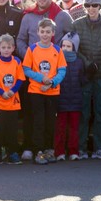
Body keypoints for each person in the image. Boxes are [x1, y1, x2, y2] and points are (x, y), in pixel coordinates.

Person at [17, 0, 73, 161]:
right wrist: (32, 58)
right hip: (32, 75)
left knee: (50, 117)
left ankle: (49, 148)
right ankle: (30, 147)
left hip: (53, 74)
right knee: (31, 114)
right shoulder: (28, 16)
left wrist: (61, 56)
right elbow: (20, 39)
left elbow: (72, 37)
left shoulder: (62, 16)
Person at [22, 18, 67, 165]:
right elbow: (26, 69)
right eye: (42, 32)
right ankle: (38, 151)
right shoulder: (32, 49)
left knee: (50, 122)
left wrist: (52, 82)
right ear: (38, 32)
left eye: (48, 32)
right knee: (38, 121)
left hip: (52, 92)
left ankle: (49, 149)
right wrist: (42, 79)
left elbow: (62, 71)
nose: (45, 34)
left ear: (53, 33)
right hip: (36, 91)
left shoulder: (57, 50)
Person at [73, 0, 101, 160]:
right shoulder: (77, 24)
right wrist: (86, 63)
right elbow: (73, 48)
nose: (91, 8)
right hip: (84, 75)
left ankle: (100, 147)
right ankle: (81, 147)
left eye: (95, 5)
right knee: (83, 112)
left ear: (100, 6)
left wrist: (97, 65)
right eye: (87, 5)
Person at [0, 34, 25, 164]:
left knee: (12, 129)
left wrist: (12, 91)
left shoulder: (17, 62)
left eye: (9, 47)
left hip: (13, 102)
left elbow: (20, 79)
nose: (6, 49)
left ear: (13, 48)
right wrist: (2, 92)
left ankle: (12, 152)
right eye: (4, 47)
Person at [54, 32, 84, 161]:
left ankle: (73, 151)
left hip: (75, 100)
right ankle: (59, 151)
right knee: (60, 127)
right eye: (63, 46)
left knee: (74, 128)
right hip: (61, 100)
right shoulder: (56, 60)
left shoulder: (79, 62)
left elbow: (82, 80)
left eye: (68, 46)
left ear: (74, 48)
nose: (65, 49)